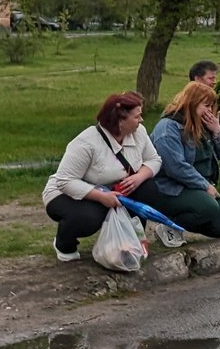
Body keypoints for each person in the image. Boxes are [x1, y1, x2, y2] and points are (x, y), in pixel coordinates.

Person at [43, 92, 161, 262]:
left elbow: (154, 159)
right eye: (137, 116)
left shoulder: (139, 132)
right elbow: (64, 180)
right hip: (67, 193)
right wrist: (101, 197)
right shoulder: (86, 143)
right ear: (120, 121)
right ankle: (64, 243)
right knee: (89, 218)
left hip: (114, 190)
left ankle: (129, 241)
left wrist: (139, 177)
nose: (141, 120)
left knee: (148, 189)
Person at [139, 80, 220, 245]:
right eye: (206, 105)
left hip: (196, 184)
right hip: (171, 187)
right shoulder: (168, 128)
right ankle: (169, 226)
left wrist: (217, 130)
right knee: (208, 207)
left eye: (211, 105)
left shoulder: (203, 125)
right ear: (192, 103)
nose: (209, 110)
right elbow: (175, 167)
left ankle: (185, 219)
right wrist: (205, 186)